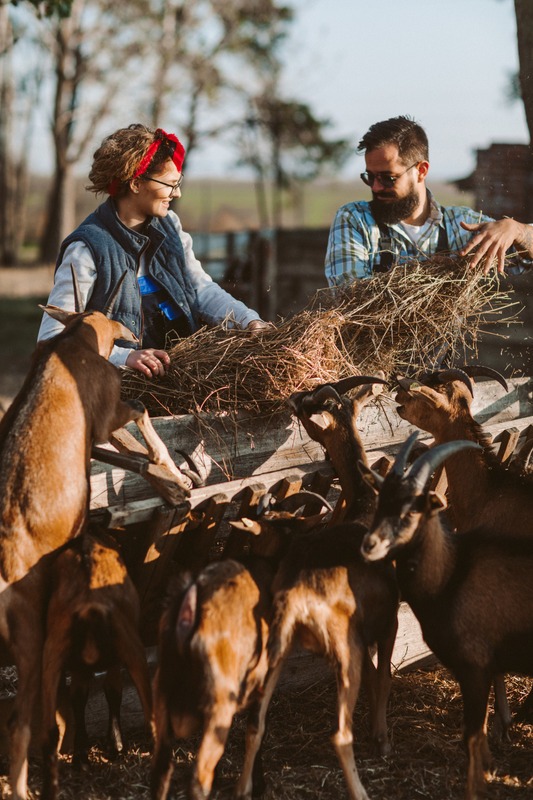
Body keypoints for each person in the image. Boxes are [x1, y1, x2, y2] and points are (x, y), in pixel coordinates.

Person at [38, 123, 270, 378]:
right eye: (170, 184)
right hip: (117, 395)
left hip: (182, 382)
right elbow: (52, 337)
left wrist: (247, 320)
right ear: (136, 183)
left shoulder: (171, 226)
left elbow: (200, 290)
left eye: (178, 183)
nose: (177, 193)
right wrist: (124, 357)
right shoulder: (86, 248)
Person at [325, 115, 533, 286]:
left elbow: (522, 259)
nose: (376, 187)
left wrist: (516, 230)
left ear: (421, 171)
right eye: (370, 176)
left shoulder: (461, 225)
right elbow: (349, 296)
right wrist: (425, 271)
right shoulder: (355, 219)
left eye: (388, 178)